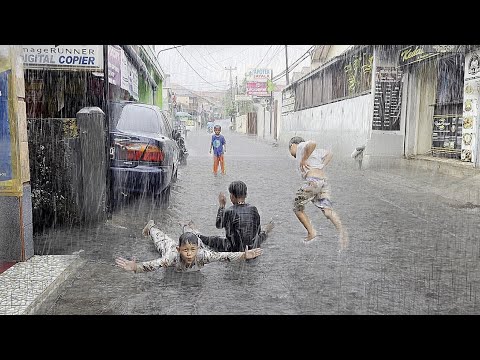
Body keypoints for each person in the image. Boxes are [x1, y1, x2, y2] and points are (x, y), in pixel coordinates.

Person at [115, 221, 263, 273]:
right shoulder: (172, 256)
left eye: (192, 250)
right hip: (170, 247)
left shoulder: (203, 255)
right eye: (185, 251)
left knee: (195, 237)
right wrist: (136, 267)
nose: (189, 254)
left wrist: (243, 255)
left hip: (191, 243)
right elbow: (154, 264)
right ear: (180, 250)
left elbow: (224, 256)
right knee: (160, 241)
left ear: (197, 250)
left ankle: (189, 228)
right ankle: (152, 227)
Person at [288, 136, 348, 250]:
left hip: (313, 182)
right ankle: (342, 232)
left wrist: (304, 158)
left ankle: (311, 232)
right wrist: (322, 166)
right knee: (327, 212)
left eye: (290, 151)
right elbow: (330, 154)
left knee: (296, 207)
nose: (292, 155)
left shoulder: (301, 147)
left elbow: (313, 143)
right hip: (323, 182)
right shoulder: (316, 152)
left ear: (292, 145)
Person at [183, 180, 274, 253]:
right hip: (253, 246)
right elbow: (257, 231)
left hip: (233, 249)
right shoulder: (254, 209)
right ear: (245, 195)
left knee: (212, 240)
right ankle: (268, 229)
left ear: (232, 196)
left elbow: (219, 225)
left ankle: (195, 233)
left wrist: (222, 206)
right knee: (262, 234)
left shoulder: (230, 211)